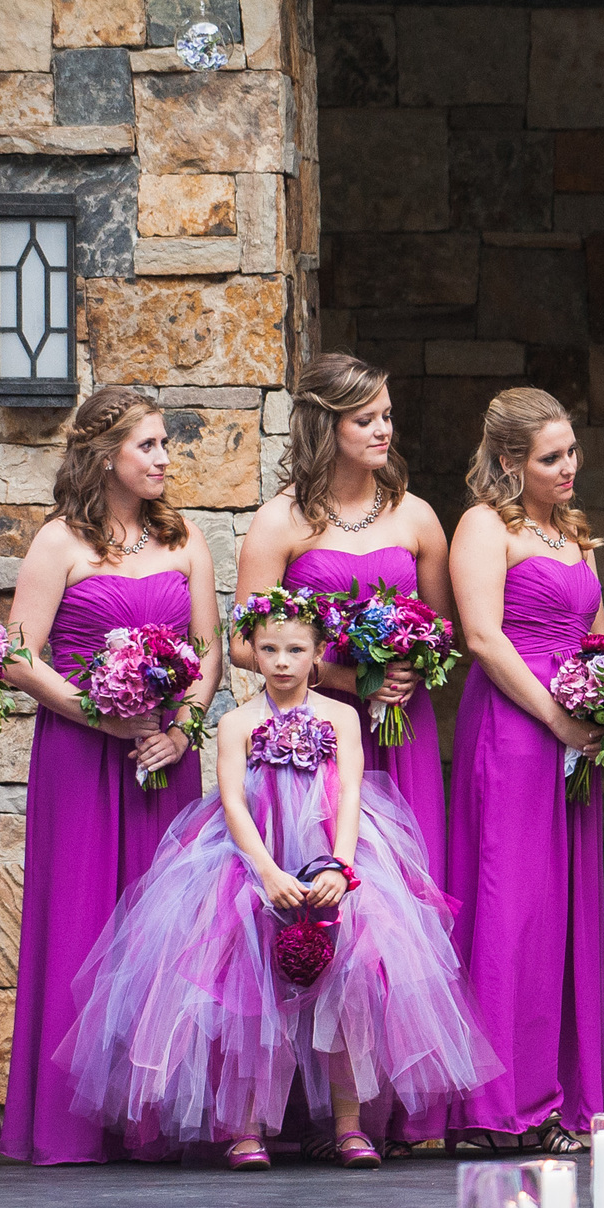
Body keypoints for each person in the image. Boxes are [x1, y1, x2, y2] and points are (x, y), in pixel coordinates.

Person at [58, 589, 496, 1169]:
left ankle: (348, 1124)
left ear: (318, 654)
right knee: (246, 988)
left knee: (347, 986)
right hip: (251, 862)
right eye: (269, 649)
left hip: (329, 858)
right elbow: (234, 802)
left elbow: (352, 795)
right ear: (253, 653)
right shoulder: (237, 721)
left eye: (296, 649)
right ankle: (244, 1127)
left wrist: (342, 865)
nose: (283, 661)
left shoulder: (341, 716)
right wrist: (265, 873)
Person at [1, 389, 221, 1165]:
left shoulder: (186, 538)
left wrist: (182, 729)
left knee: (168, 927)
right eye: (150, 446)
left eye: (165, 446)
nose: (164, 459)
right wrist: (100, 714)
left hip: (166, 757)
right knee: (83, 915)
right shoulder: (59, 542)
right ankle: (74, 1125)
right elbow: (17, 654)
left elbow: (209, 649)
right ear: (106, 457)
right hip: (81, 756)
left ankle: (153, 1118)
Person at [444, 388, 604, 1155]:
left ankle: (554, 1098)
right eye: (551, 457)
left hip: (575, 735)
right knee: (509, 904)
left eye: (572, 451)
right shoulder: (485, 526)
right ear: (511, 461)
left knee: (563, 911)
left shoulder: (573, 532)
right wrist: (555, 715)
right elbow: (481, 636)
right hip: (516, 727)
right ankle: (490, 1105)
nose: (568, 466)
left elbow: (600, 634)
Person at [236, 353, 453, 881]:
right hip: (312, 725)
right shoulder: (279, 522)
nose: (384, 430)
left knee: (408, 881)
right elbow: (244, 644)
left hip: (401, 726)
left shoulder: (416, 515)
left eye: (387, 415)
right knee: (319, 878)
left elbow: (444, 629)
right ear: (325, 429)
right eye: (365, 420)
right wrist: (345, 677)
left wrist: (413, 665)